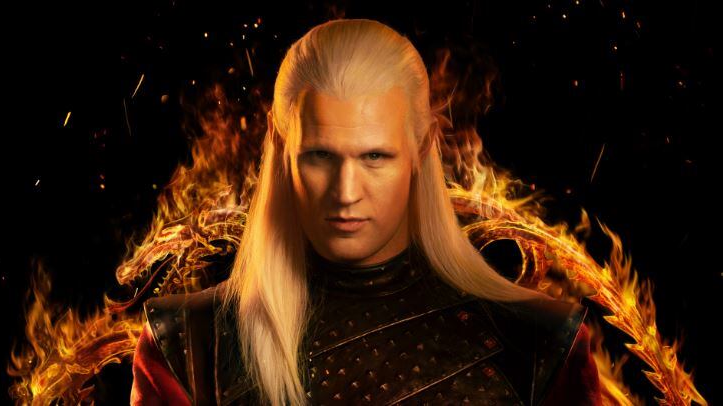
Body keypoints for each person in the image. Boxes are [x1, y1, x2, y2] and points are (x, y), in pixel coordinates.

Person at [130, 18, 602, 405]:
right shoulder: (189, 344)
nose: (346, 192)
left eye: (375, 156)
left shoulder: (539, 344)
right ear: (280, 144)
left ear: (421, 148)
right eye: (320, 155)